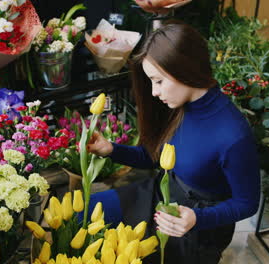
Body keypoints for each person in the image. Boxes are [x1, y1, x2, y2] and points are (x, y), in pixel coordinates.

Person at [86, 20, 260, 263]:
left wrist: (197, 218)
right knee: (81, 214)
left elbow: (247, 203)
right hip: (159, 195)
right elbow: (155, 157)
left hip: (193, 224)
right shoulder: (179, 106)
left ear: (183, 70)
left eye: (158, 81)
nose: (154, 92)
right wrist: (111, 149)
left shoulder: (233, 135)